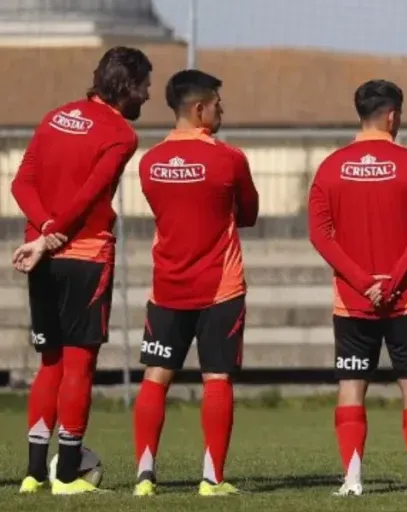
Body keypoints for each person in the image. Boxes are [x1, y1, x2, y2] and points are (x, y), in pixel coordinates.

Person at [10, 46, 151, 495]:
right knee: (78, 365)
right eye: (144, 86)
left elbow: (21, 183)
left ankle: (34, 474)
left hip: (42, 256)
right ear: (126, 87)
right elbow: (89, 195)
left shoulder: (55, 117)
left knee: (49, 363)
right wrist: (51, 234)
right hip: (85, 255)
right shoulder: (121, 134)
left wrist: (41, 234)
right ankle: (68, 476)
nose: (148, 96)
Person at [307, 79, 407, 497]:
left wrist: (363, 283)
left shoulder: (330, 167)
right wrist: (393, 279)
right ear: (393, 116)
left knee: (351, 385)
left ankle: (352, 480)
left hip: (352, 300)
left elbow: (319, 235)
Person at [131, 69, 259, 497]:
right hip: (220, 287)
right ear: (200, 108)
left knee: (155, 377)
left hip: (167, 286)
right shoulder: (229, 158)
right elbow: (249, 213)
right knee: (217, 379)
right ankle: (212, 479)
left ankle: (144, 476)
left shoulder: (149, 162)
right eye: (218, 104)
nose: (223, 110)